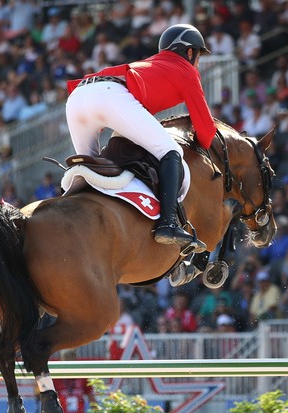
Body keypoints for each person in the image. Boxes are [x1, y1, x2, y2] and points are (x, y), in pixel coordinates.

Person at [65, 24, 215, 251]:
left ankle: (67, 215)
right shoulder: (185, 69)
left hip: (78, 97)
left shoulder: (153, 64)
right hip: (109, 95)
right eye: (198, 56)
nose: (198, 63)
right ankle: (168, 223)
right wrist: (204, 151)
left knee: (88, 171)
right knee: (171, 152)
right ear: (190, 52)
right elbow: (205, 127)